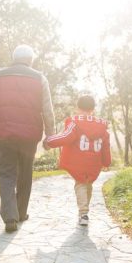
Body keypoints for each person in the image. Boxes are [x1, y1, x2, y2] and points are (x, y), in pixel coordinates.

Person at [0, 45, 55, 233]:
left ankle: (10, 217)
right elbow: (47, 109)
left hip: (4, 133)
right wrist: (50, 134)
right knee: (25, 172)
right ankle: (21, 213)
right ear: (30, 60)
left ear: (13, 58)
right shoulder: (40, 78)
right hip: (29, 135)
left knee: (6, 173)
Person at [44, 96, 111, 226]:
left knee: (80, 183)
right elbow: (106, 145)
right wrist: (106, 162)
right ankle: (84, 212)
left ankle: (83, 213)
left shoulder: (74, 122)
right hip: (94, 162)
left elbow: (65, 137)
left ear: (78, 108)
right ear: (93, 109)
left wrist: (49, 141)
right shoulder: (102, 125)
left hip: (79, 161)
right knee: (88, 184)